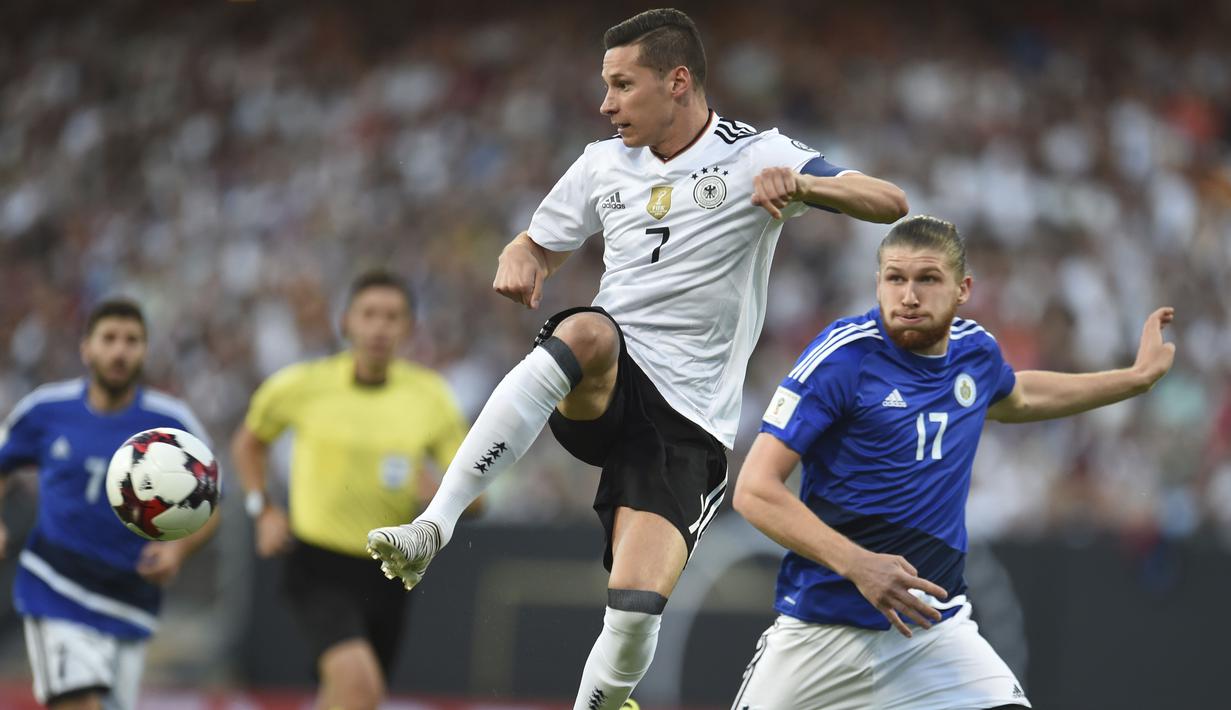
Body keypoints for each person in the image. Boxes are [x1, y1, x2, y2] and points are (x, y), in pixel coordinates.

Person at [365, 8, 908, 708]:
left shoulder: (754, 153)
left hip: (688, 424)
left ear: (676, 82)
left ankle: (603, 700)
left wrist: (806, 186)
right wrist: (517, 252)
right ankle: (432, 527)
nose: (605, 103)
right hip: (609, 382)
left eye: (622, 85)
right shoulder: (600, 163)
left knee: (632, 609)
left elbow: (886, 200)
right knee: (589, 330)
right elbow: (539, 244)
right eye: (605, 85)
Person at [729, 215, 1176, 709]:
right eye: (895, 278)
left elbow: (1019, 395)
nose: (909, 295)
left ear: (963, 289)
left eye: (927, 279)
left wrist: (1133, 379)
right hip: (823, 634)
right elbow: (754, 490)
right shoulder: (842, 359)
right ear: (877, 283)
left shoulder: (975, 354)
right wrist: (858, 565)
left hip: (933, 632)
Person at [231, 269, 468, 710]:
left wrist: (442, 494)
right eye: (369, 314)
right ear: (346, 323)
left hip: (391, 571)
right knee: (360, 687)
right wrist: (262, 508)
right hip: (317, 565)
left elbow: (475, 488)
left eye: (392, 316)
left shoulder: (430, 396)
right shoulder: (303, 385)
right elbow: (249, 442)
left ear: (409, 328)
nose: (379, 327)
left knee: (350, 697)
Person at [0, 299, 218, 710]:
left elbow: (212, 506)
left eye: (132, 340)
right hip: (57, 584)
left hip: (130, 595)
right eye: (110, 339)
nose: (120, 351)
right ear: (87, 348)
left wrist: (177, 548)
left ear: (146, 350)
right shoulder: (47, 410)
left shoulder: (172, 425)